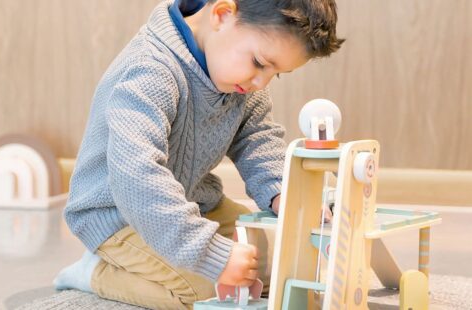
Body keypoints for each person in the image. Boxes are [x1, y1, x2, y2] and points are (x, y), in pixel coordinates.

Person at [54, 0, 344, 308]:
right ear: (221, 14)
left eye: (277, 73)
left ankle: (189, 251)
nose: (261, 82)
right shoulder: (151, 70)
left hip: (189, 203)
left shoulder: (240, 79)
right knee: (207, 291)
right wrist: (211, 255)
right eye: (260, 62)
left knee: (273, 269)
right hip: (118, 216)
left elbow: (256, 135)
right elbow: (138, 176)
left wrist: (279, 191)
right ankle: (96, 273)